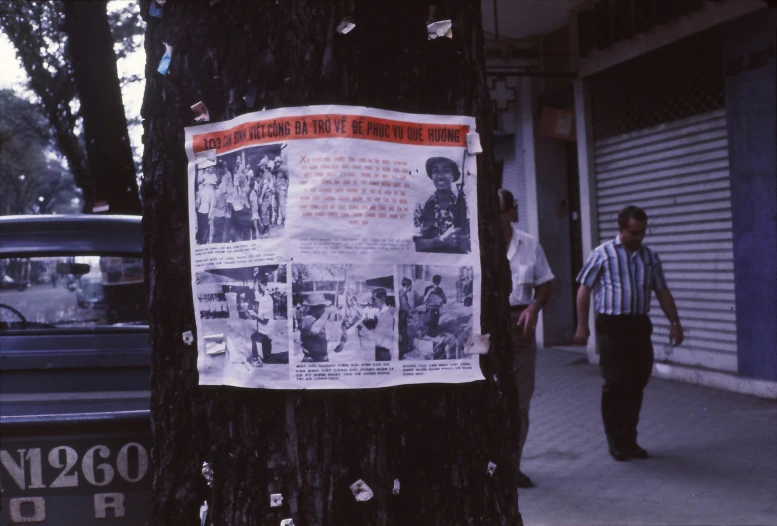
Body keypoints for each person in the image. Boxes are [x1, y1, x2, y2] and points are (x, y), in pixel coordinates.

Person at [573, 205, 684, 461]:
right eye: (633, 233)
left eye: (642, 233)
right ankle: (615, 440)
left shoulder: (650, 257)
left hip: (638, 325)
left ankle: (629, 439)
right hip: (612, 326)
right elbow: (584, 290)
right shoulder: (603, 254)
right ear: (621, 229)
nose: (638, 238)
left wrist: (675, 323)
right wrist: (582, 326)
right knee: (616, 382)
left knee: (637, 382)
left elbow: (662, 291)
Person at [498, 189, 554, 489]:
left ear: (508, 213)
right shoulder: (473, 244)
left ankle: (512, 466)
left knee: (520, 401)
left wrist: (534, 306)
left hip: (520, 327)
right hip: (486, 332)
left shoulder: (529, 245)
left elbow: (546, 284)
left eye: (501, 211)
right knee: (489, 400)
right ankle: (489, 464)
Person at [413, 157, 470, 254]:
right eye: (436, 171)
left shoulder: (466, 205)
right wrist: (441, 241)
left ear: (454, 175)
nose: (440, 176)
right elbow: (418, 244)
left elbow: (474, 243)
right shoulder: (422, 206)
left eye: (446, 170)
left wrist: (463, 241)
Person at [361, 288, 394, 361]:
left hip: (383, 353)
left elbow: (377, 340)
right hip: (381, 351)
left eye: (374, 299)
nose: (372, 302)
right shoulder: (382, 314)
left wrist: (362, 327)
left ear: (382, 299)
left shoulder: (386, 316)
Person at [246, 281, 275, 367]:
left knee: (253, 337)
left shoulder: (267, 299)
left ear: (264, 285)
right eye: (257, 286)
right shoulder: (263, 297)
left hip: (266, 329)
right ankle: (264, 356)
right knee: (267, 356)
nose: (257, 288)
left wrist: (255, 315)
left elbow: (265, 320)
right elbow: (257, 295)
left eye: (259, 286)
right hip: (264, 328)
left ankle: (256, 359)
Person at [300, 292, 334, 362]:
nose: (324, 309)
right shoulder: (307, 319)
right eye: (323, 307)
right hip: (311, 360)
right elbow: (315, 330)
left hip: (321, 358)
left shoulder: (319, 319)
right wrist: (327, 313)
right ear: (317, 308)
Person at [195, 169, 217, 245]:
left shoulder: (201, 191)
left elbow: (198, 202)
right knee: (205, 227)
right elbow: (212, 204)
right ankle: (204, 241)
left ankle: (199, 240)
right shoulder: (211, 192)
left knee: (201, 226)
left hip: (200, 210)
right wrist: (210, 215)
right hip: (206, 210)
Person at [398, 277, 413, 360]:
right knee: (403, 337)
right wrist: (416, 309)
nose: (411, 287)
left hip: (402, 318)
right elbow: (405, 308)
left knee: (402, 336)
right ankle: (402, 355)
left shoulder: (401, 292)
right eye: (411, 285)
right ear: (408, 285)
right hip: (403, 318)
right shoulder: (402, 294)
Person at [273, 156, 288, 226]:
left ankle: (283, 221)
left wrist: (285, 187)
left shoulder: (284, 169)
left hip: (281, 189)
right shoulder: (276, 169)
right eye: (275, 162)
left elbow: (287, 178)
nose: (275, 163)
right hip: (276, 189)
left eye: (276, 162)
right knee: (275, 205)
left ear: (280, 162)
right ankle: (275, 221)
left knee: (282, 205)